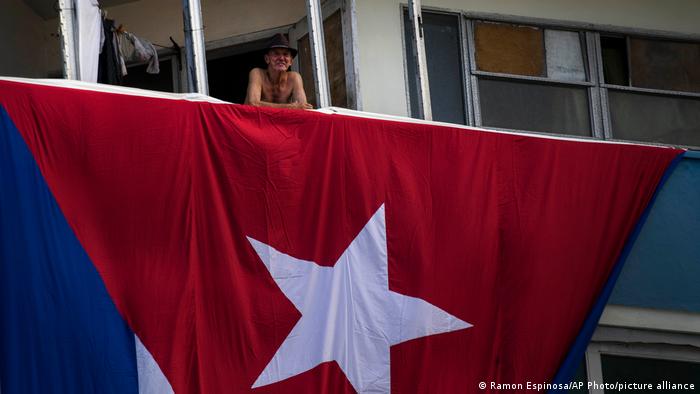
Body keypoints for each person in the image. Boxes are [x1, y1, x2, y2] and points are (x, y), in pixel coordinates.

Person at [245, 34, 313, 109]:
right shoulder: (257, 73)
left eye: (285, 54)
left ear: (290, 61)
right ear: (267, 59)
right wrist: (291, 107)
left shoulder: (294, 77)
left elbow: (303, 108)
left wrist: (295, 107)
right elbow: (253, 103)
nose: (281, 58)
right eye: (276, 54)